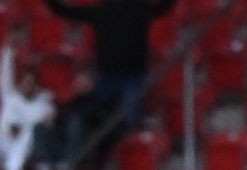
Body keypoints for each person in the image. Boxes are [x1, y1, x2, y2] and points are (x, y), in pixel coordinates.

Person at [42, 0, 174, 127]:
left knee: (130, 114)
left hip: (134, 76)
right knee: (93, 112)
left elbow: (164, 7)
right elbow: (65, 11)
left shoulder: (140, 8)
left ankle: (131, 138)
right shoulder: (101, 11)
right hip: (106, 76)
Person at [0, 43, 57, 170]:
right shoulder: (9, 96)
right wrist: (7, 50)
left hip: (18, 147)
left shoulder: (42, 104)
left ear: (36, 85)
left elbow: (47, 121)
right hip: (1, 140)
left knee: (29, 133)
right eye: (25, 82)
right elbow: (4, 75)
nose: (27, 86)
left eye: (30, 83)